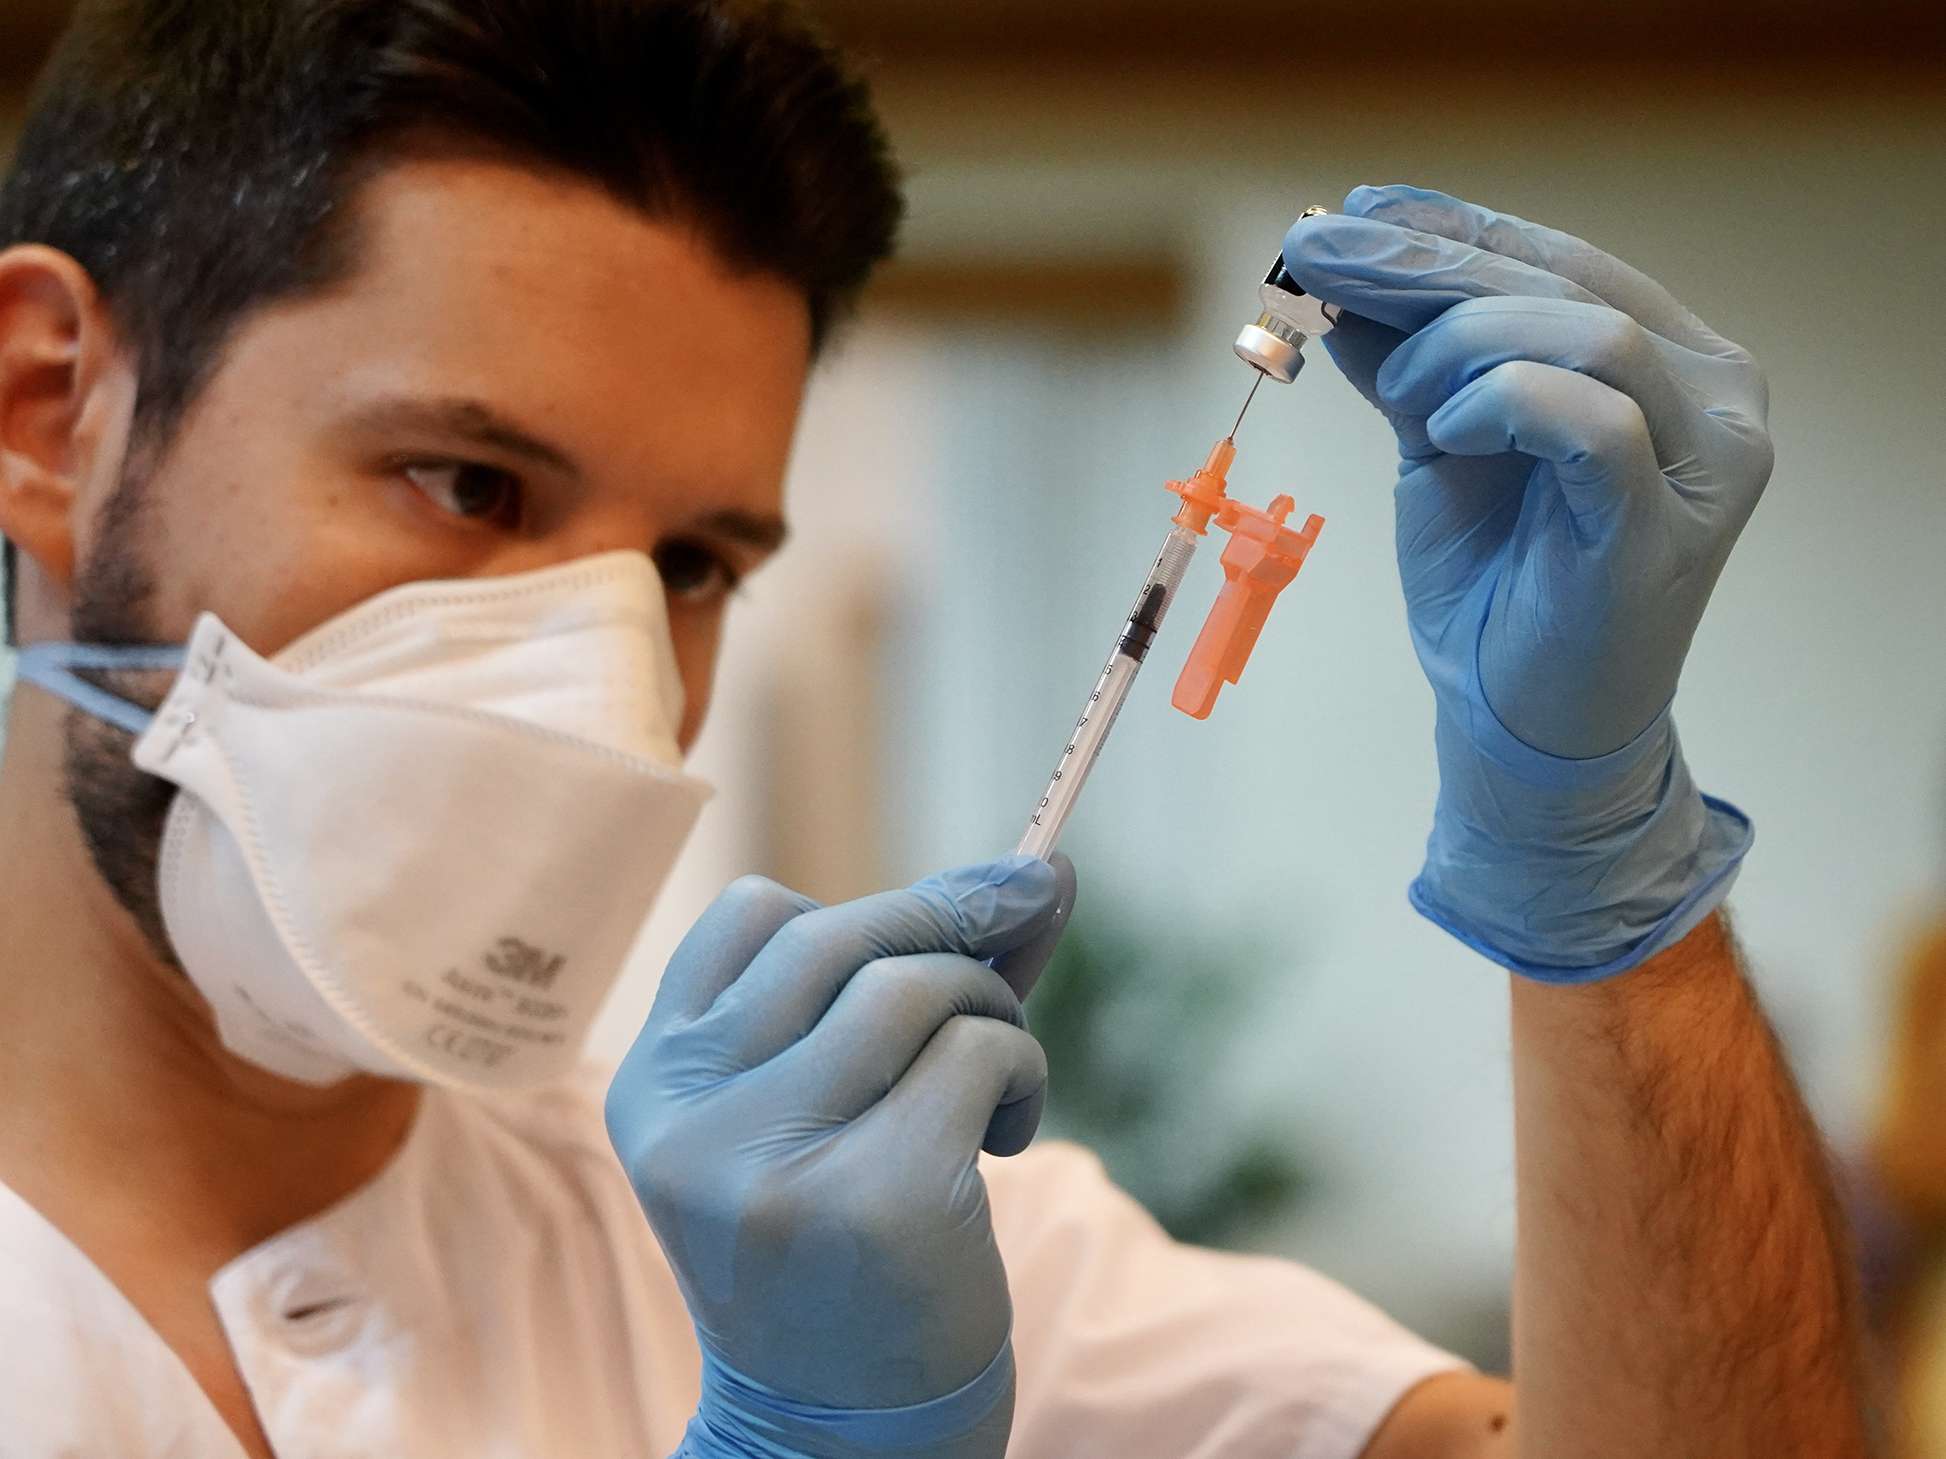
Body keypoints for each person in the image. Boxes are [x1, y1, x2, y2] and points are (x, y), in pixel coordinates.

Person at [0, 2, 1869, 1456]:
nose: (605, 671)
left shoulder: (863, 1271)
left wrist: (1602, 889)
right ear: (44, 407)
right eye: (469, 486)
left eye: (696, 560)